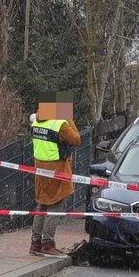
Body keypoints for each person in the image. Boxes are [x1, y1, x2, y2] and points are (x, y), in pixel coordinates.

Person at [27, 102, 82, 257]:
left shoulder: (37, 121)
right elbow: (76, 139)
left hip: (40, 169)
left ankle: (35, 242)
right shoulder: (60, 124)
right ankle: (47, 244)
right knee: (55, 206)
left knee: (42, 205)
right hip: (56, 170)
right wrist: (69, 119)